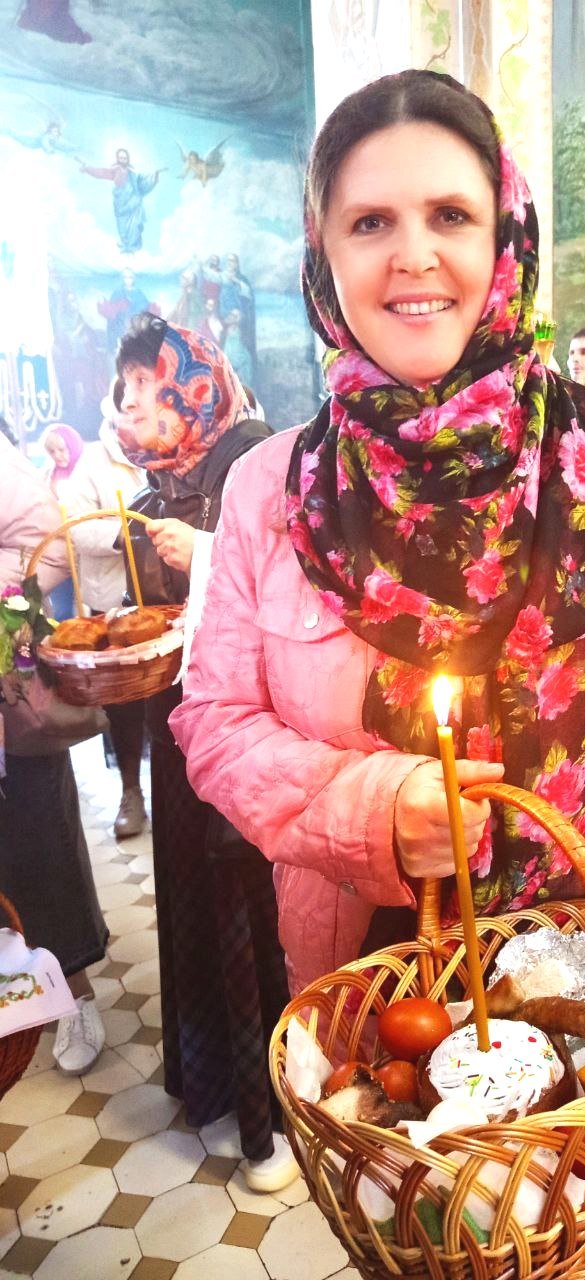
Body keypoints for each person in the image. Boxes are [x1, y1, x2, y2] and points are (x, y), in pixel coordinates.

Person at [170, 68, 585, 1005]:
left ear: (506, 239)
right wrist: (374, 812)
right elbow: (213, 721)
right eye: (370, 223)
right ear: (323, 255)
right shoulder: (270, 487)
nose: (413, 256)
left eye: (451, 216)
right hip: (364, 996)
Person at [114, 314, 294, 1192]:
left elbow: (297, 586)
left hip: (251, 732)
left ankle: (277, 1116)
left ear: (194, 384)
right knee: (192, 902)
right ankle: (216, 1092)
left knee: (251, 912)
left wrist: (207, 553)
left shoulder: (256, 459)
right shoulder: (156, 487)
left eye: (149, 388)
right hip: (176, 731)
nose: (133, 408)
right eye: (124, 393)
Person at [0, 434, 107, 1075]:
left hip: (7, 692)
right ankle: (16, 997)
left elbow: (48, 543)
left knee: (37, 839)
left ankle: (74, 992)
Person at [61, 382, 148, 838]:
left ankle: (184, 792)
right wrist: (125, 535)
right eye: (126, 407)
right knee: (124, 707)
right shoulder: (93, 462)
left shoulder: (163, 453)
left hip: (161, 602)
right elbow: (75, 527)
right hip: (112, 605)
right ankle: (131, 791)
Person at [41, 422, 85, 621]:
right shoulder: (44, 477)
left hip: (85, 553)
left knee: (87, 610)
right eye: (52, 451)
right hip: (58, 553)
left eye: (62, 449)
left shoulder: (88, 473)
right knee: (61, 612)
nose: (58, 456)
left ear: (73, 446)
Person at [80, 148, 162, 254]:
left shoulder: (133, 173)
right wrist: (87, 168)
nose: (123, 160)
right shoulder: (115, 171)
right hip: (121, 206)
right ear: (118, 159)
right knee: (122, 229)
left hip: (133, 204)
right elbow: (101, 172)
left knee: (134, 228)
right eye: (121, 158)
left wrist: (154, 177)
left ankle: (132, 248)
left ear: (128, 159)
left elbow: (142, 183)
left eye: (125, 158)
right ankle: (126, 246)